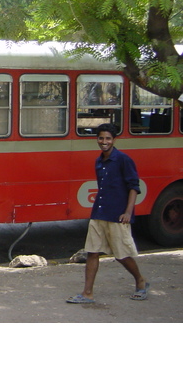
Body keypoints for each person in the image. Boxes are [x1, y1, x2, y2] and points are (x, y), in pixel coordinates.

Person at [67, 123, 149, 304]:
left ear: (114, 140)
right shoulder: (99, 161)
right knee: (92, 252)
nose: (104, 142)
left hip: (117, 215)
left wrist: (128, 212)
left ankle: (141, 281)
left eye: (108, 139)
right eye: (101, 138)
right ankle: (87, 293)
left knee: (122, 255)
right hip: (99, 212)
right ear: (97, 139)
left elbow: (134, 187)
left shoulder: (123, 160)